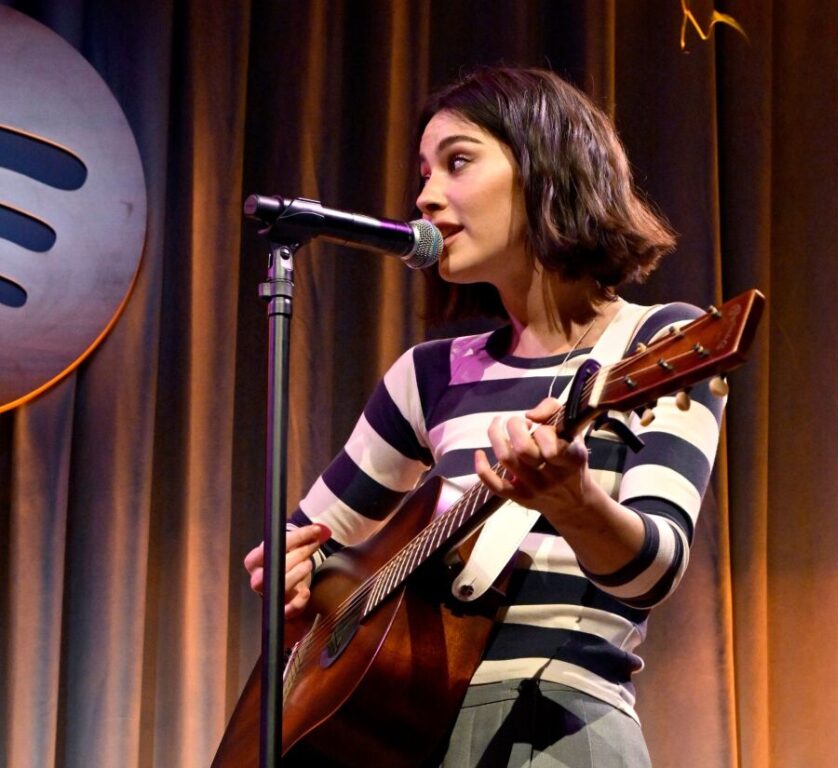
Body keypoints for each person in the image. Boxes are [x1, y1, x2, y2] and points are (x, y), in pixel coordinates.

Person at [244, 66, 725, 767]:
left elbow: (652, 569)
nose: (425, 197)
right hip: (408, 736)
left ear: (546, 172)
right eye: (423, 172)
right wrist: (296, 582)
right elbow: (309, 542)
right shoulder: (429, 374)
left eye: (457, 162)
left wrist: (574, 500)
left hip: (561, 728)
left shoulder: (662, 343)